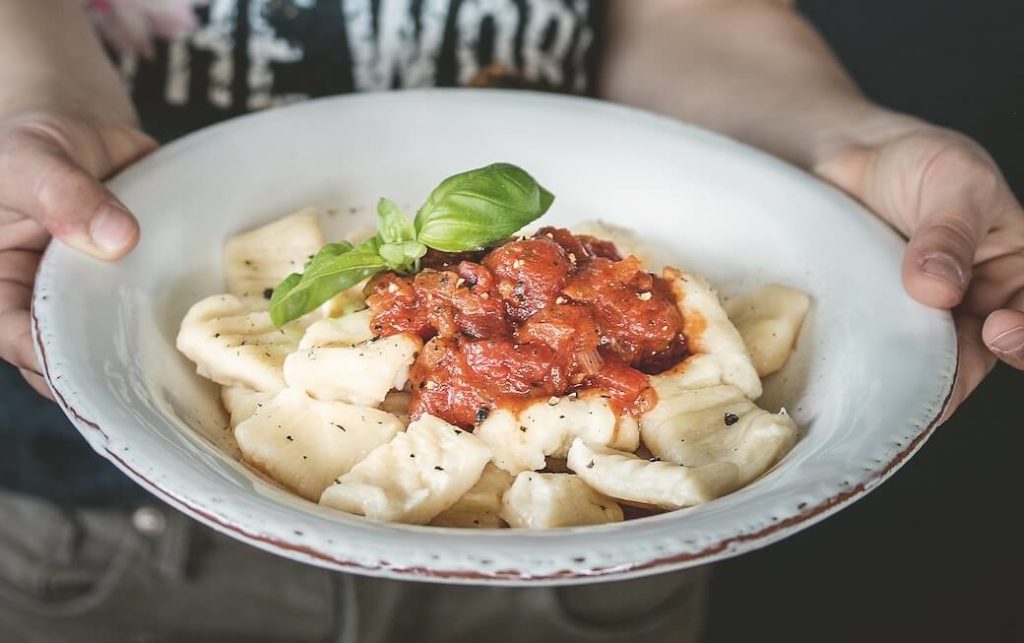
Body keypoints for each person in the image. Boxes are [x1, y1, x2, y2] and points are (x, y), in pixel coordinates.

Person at [0, 0, 1019, 641]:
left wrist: (841, 144)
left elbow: (689, 19)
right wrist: (34, 108)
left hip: (597, 578)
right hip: (117, 546)